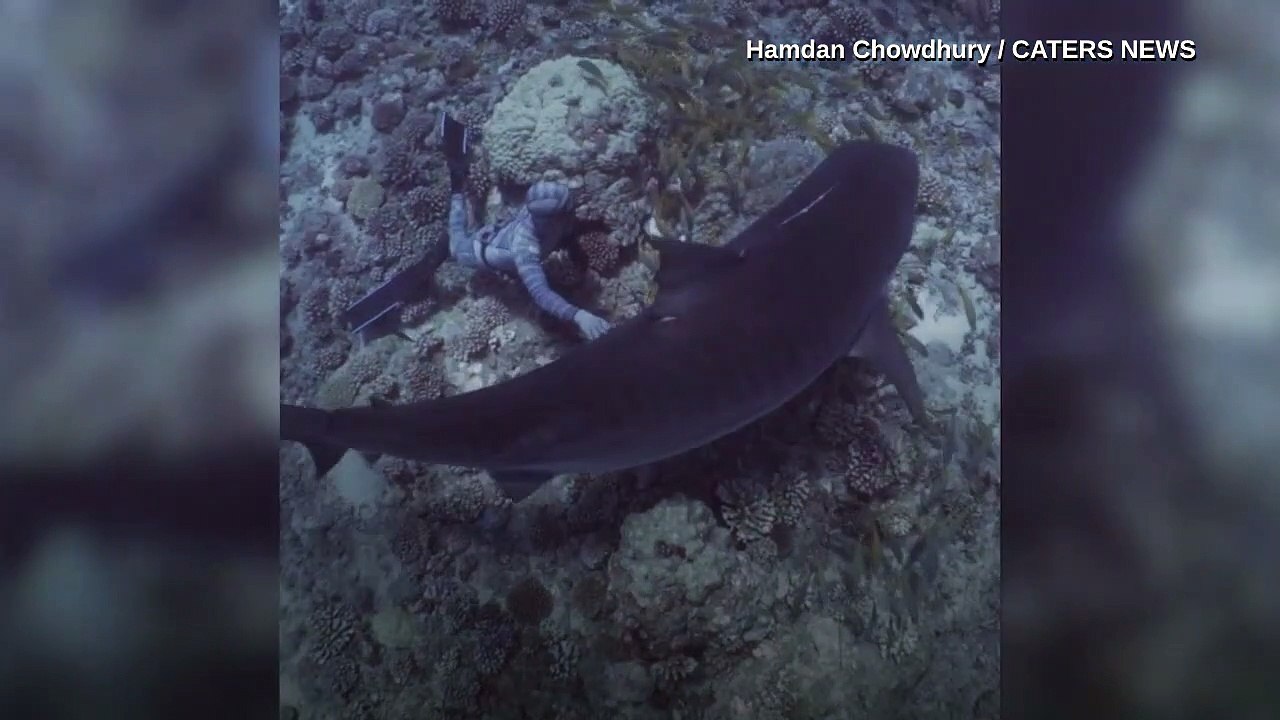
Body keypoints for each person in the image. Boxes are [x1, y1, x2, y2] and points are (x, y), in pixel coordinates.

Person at [439, 113, 611, 340]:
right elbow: (541, 293)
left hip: (499, 233)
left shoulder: (538, 208)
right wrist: (579, 315)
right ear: (554, 220)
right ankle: (457, 188)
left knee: (481, 228)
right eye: (567, 211)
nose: (573, 213)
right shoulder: (526, 249)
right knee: (455, 242)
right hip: (471, 251)